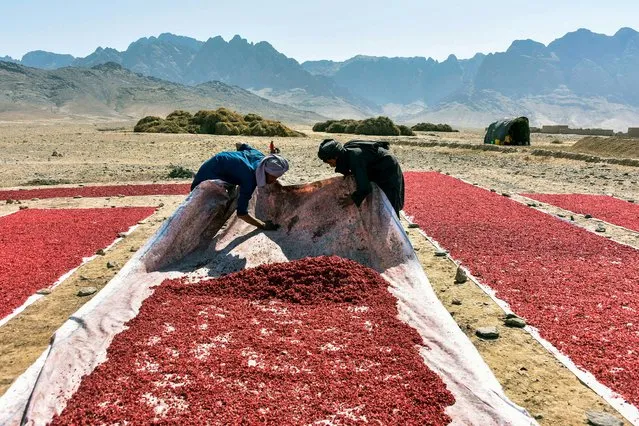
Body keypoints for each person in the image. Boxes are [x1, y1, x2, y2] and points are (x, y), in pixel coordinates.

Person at [191, 143, 288, 230]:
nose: (273, 181)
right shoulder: (249, 179)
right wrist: (263, 225)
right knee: (218, 207)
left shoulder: (258, 155)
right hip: (205, 180)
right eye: (273, 177)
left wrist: (234, 164)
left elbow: (239, 144)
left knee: (232, 190)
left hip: (214, 162)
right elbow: (242, 213)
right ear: (264, 171)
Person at [317, 139, 404, 216]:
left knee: (389, 202)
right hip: (377, 168)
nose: (331, 166)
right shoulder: (347, 152)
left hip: (388, 169)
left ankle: (396, 231)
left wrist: (352, 199)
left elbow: (365, 188)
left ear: (336, 157)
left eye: (330, 162)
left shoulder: (355, 157)